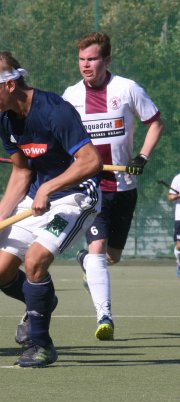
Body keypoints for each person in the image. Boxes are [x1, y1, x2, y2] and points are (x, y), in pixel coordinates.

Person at [0, 51, 103, 367]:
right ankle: (40, 300)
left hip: (75, 198)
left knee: (35, 260)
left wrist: (49, 188)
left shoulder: (55, 111)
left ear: (11, 85)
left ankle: (41, 345)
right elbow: (21, 172)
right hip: (36, 198)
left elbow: (91, 161)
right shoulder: (4, 119)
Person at [62, 32, 165, 340]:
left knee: (110, 257)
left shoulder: (127, 88)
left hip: (124, 186)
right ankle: (104, 315)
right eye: (81, 59)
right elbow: (61, 137)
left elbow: (155, 122)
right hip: (90, 188)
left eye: (92, 59)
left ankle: (85, 262)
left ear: (106, 59)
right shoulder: (70, 96)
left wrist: (142, 157)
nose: (85, 65)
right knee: (97, 249)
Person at [167, 173, 180, 277]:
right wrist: (178, 195)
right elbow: (170, 196)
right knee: (179, 246)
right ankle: (179, 263)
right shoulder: (177, 178)